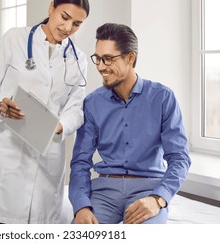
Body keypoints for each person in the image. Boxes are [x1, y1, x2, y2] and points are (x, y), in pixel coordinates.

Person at [0, 0, 90, 224]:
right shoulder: (15, 39)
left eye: (77, 24)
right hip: (8, 152)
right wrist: (0, 104)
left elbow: (76, 108)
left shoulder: (78, 58)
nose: (68, 28)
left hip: (47, 154)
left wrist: (61, 126)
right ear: (51, 7)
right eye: (64, 17)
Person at [68, 23, 191, 224]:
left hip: (148, 191)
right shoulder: (92, 103)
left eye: (108, 59)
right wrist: (81, 205)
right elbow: (81, 162)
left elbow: (179, 158)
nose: (100, 66)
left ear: (130, 57)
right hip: (104, 192)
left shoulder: (162, 97)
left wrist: (158, 198)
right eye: (97, 59)